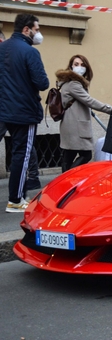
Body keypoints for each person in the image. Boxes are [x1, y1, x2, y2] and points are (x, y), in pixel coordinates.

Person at [0, 13, 49, 212]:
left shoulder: (2, 48)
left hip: (3, 110)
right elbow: (42, 83)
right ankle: (16, 199)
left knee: (19, 153)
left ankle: (16, 197)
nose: (38, 34)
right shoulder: (29, 52)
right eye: (36, 30)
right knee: (22, 154)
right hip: (24, 111)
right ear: (26, 29)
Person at [56, 54, 112, 172]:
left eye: (82, 65)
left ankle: (65, 181)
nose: (79, 67)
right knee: (86, 155)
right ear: (71, 66)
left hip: (69, 123)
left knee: (68, 156)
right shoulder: (73, 84)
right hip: (76, 125)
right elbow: (89, 101)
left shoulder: (68, 82)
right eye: (76, 64)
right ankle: (67, 179)